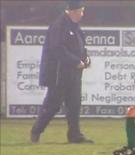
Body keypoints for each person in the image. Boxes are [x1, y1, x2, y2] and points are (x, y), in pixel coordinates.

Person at [30, 0, 93, 143]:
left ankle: (75, 135)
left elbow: (81, 48)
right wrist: (75, 61)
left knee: (74, 104)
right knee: (52, 105)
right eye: (81, 11)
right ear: (73, 11)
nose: (82, 15)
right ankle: (36, 131)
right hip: (59, 74)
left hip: (74, 74)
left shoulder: (75, 27)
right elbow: (57, 48)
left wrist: (86, 58)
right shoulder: (59, 26)